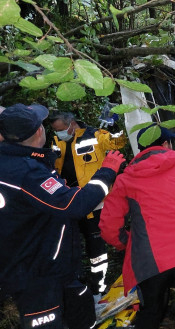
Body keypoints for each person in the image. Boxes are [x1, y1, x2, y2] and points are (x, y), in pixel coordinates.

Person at [0, 103, 125, 329]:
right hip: (37, 275)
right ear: (39, 132)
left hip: (53, 268)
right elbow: (72, 206)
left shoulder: (15, 163)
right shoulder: (26, 171)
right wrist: (107, 171)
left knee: (82, 315)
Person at [99, 124, 175, 329]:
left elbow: (108, 228)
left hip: (150, 258)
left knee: (150, 312)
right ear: (166, 144)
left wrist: (127, 242)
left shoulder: (125, 178)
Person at [50, 111, 127, 298]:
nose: (58, 133)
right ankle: (77, 286)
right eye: (56, 130)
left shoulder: (94, 135)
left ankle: (98, 287)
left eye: (60, 130)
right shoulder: (55, 141)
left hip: (95, 202)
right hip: (69, 201)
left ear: (72, 124)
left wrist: (114, 126)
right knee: (72, 245)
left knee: (97, 246)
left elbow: (117, 142)